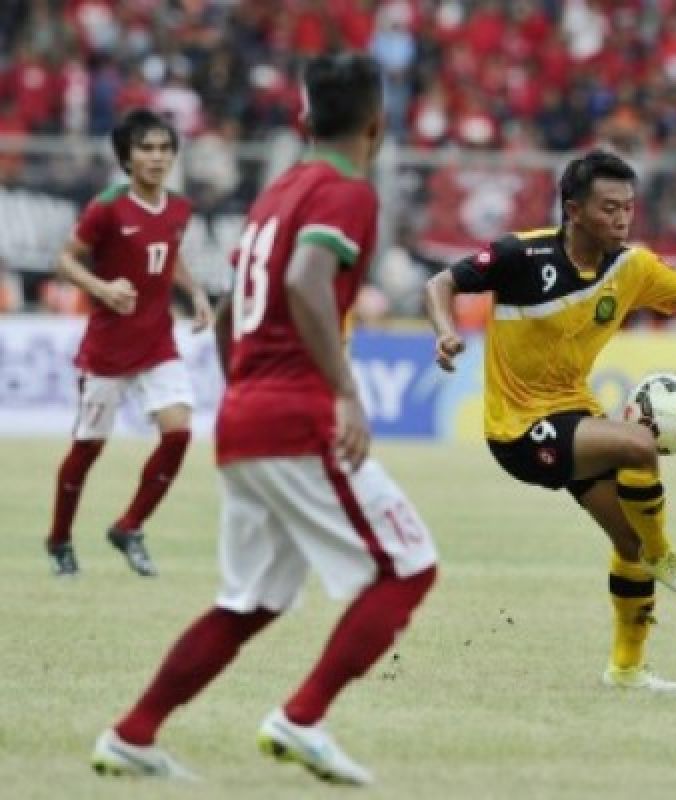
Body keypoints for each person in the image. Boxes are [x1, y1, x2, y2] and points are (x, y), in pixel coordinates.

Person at [91, 54, 438, 785]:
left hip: (247, 416)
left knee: (251, 601)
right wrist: (343, 390)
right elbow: (307, 280)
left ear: (304, 119)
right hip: (295, 418)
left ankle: (133, 733)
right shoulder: (346, 191)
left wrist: (245, 388)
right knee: (408, 567)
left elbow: (225, 314)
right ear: (378, 123)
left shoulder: (279, 191)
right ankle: (301, 718)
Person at [425, 149, 676, 692]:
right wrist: (445, 332)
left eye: (628, 208)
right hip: (516, 429)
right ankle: (666, 555)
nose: (621, 218)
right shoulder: (521, 253)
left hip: (572, 416)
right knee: (637, 443)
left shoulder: (632, 268)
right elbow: (441, 283)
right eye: (609, 208)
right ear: (574, 209)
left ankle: (627, 668)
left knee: (625, 541)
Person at [45, 109, 213, 578]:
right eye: (146, 148)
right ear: (127, 157)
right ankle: (59, 538)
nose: (157, 158)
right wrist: (102, 289)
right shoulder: (107, 207)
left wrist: (195, 292)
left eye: (164, 148)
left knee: (179, 433)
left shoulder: (180, 208)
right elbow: (64, 259)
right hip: (108, 351)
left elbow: (169, 255)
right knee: (87, 450)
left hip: (157, 341)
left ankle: (130, 526)